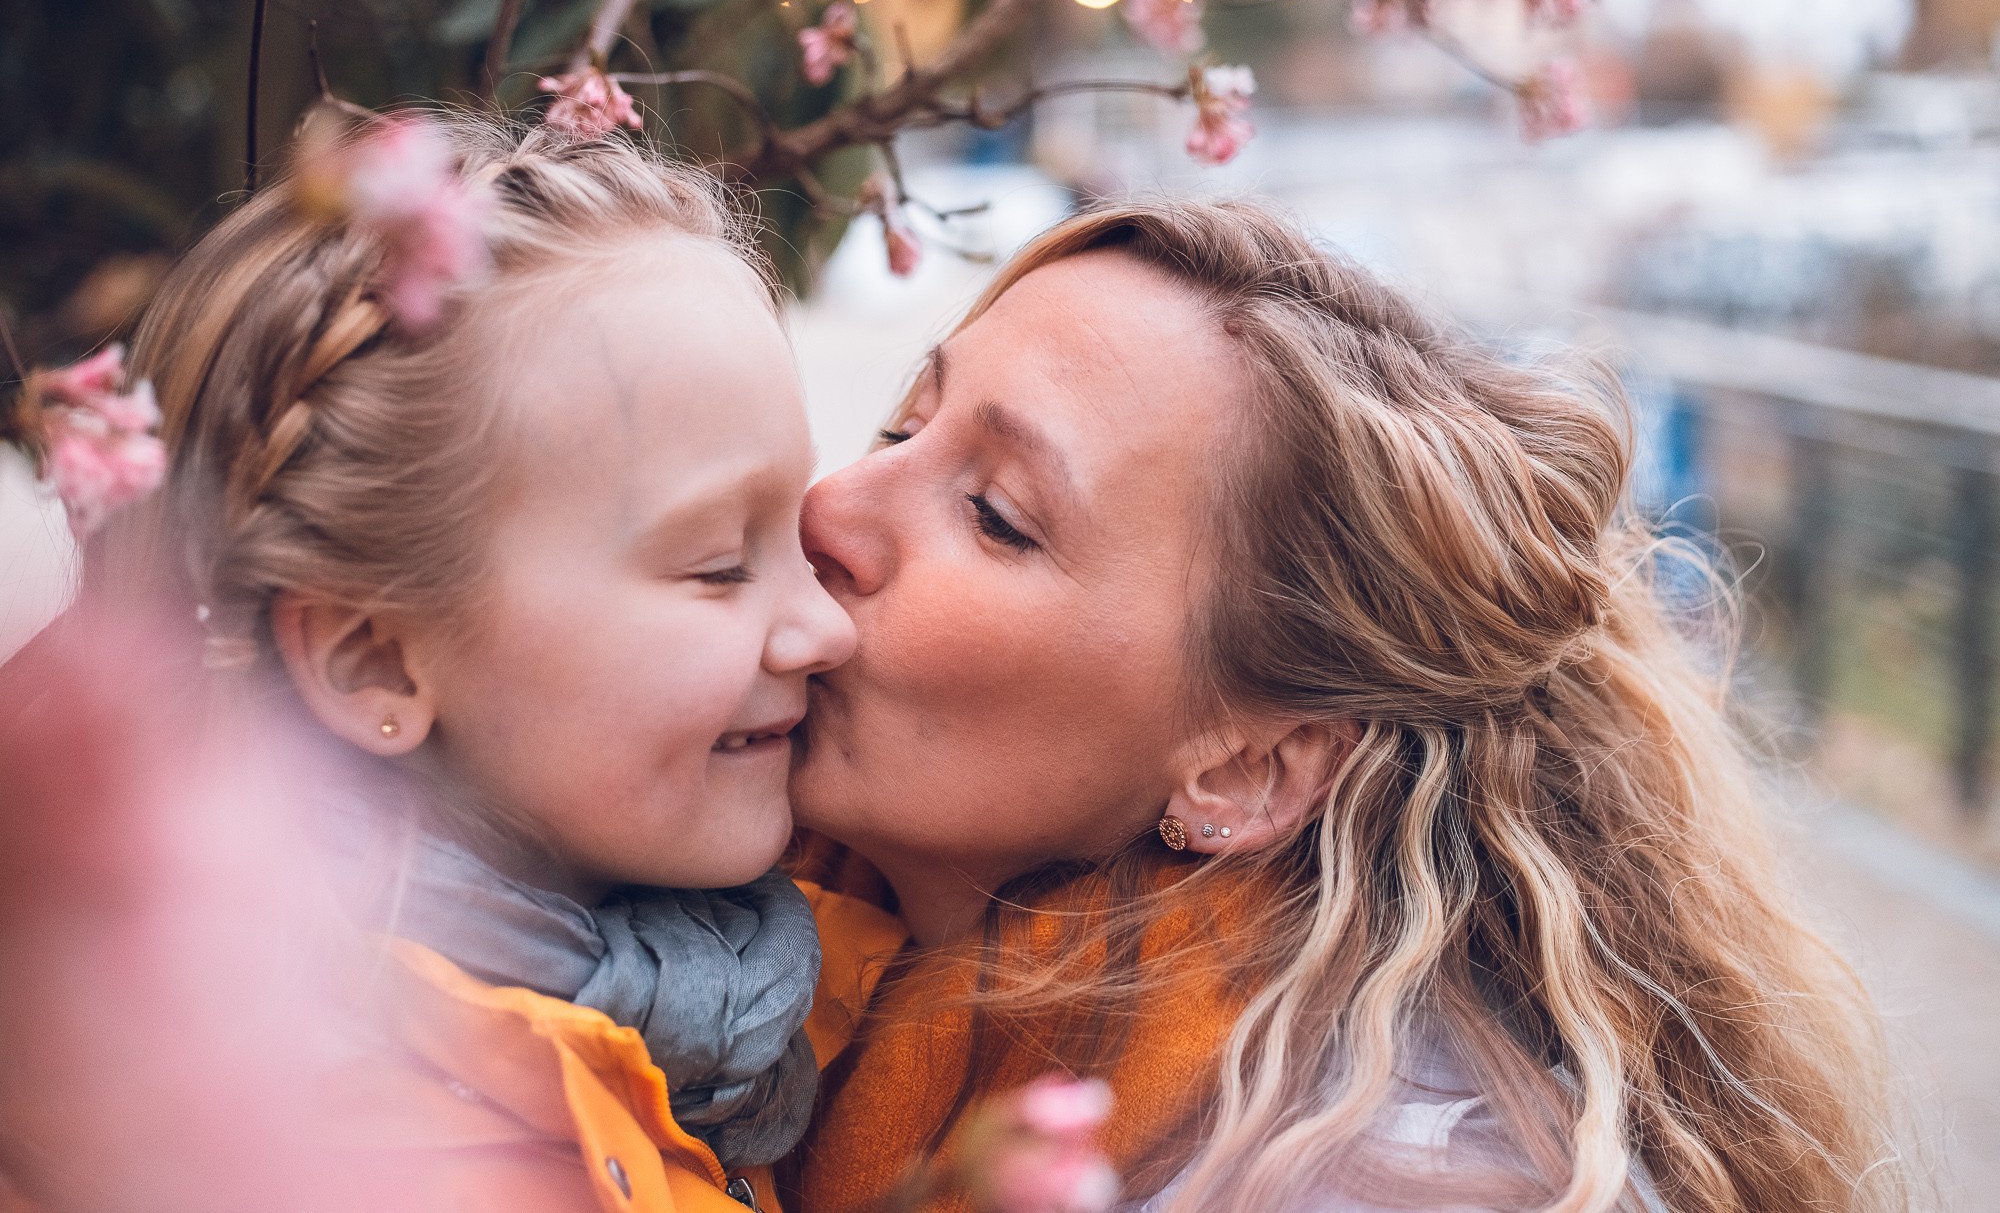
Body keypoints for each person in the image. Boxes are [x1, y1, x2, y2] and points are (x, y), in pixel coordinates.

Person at [781, 198, 1902, 1213]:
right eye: (900, 426)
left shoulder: (1401, 1184)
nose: (829, 504)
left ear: (1245, 770)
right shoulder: (756, 956)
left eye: (993, 514)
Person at [32, 112, 905, 1213]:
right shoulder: (362, 1170)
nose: (823, 627)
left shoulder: (739, 994)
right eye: (720, 565)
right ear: (375, 664)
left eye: (794, 531)